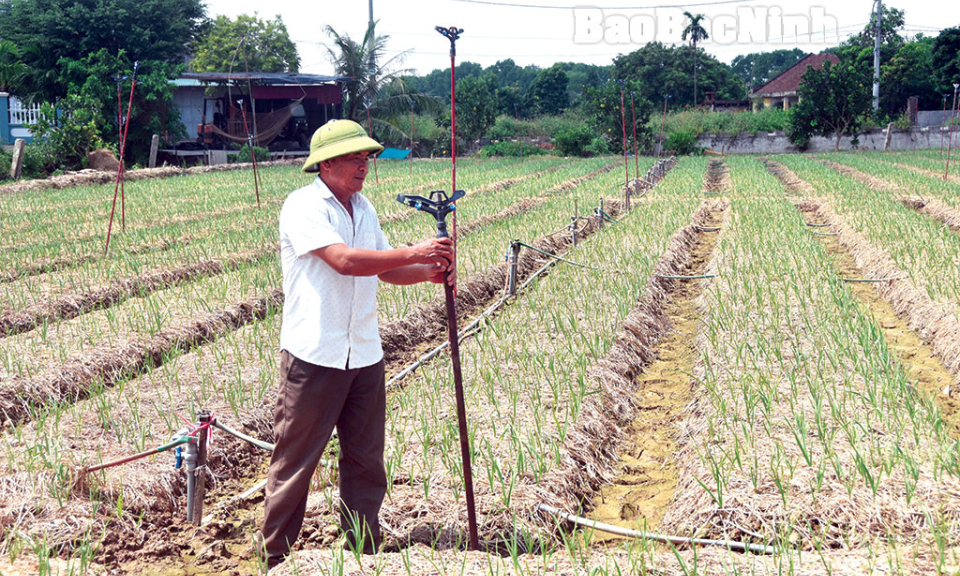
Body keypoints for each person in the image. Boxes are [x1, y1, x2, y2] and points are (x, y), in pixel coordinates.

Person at [261, 119, 455, 568]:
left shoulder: (364, 208)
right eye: (354, 157)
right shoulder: (303, 206)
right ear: (326, 163)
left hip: (365, 353)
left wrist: (431, 273)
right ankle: (277, 560)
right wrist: (416, 252)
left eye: (366, 157)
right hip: (315, 355)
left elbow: (384, 270)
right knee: (296, 464)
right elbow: (345, 262)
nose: (364, 165)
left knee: (366, 462)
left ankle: (363, 553)